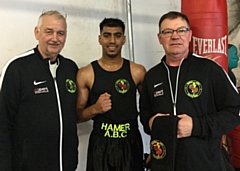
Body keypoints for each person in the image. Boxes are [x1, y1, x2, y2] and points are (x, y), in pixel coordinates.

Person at [139, 11, 240, 171]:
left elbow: (235, 111)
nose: (175, 36)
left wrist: (196, 126)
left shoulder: (210, 69)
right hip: (164, 164)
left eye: (181, 30)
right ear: (160, 38)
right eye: (168, 32)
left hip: (204, 163)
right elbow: (145, 112)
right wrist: (150, 122)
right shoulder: (152, 76)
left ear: (190, 35)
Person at [0, 10, 78, 171]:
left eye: (60, 33)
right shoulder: (18, 68)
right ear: (37, 32)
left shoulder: (70, 68)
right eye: (49, 32)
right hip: (28, 166)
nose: (55, 38)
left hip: (66, 165)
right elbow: (3, 121)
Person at [76, 18, 146, 171]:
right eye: (107, 35)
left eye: (117, 35)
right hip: (101, 145)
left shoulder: (137, 72)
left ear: (124, 39)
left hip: (131, 142)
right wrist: (95, 109)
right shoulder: (86, 74)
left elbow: (150, 110)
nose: (112, 40)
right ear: (100, 39)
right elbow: (77, 116)